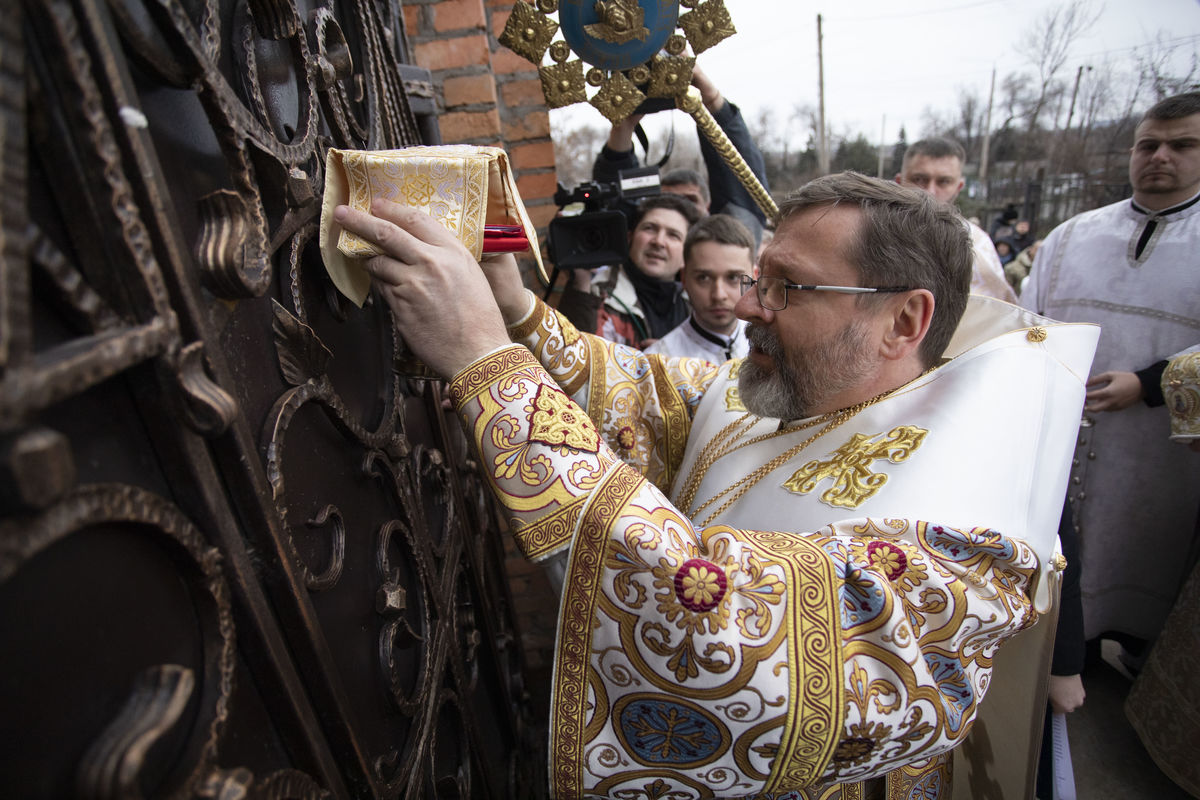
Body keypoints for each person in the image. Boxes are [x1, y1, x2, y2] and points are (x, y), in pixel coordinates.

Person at [331, 172, 1097, 798]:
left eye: (788, 289)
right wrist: (518, 312)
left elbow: (733, 640)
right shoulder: (776, 384)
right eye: (762, 277)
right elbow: (643, 388)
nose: (749, 307)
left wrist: (482, 361)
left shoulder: (970, 525)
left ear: (904, 322)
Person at [1022, 91, 1200, 660]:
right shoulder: (1073, 235)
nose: (1160, 156)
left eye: (1182, 145)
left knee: (1146, 557)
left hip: (1159, 447)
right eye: (1148, 144)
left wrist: (1149, 384)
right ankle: (1068, 648)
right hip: (1065, 428)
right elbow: (1028, 320)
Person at [592, 64, 770, 242]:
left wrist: (710, 99)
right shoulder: (643, 245)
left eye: (689, 200)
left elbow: (744, 189)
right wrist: (623, 126)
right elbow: (615, 205)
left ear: (707, 208)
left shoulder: (725, 253)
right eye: (667, 200)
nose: (677, 209)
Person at [555, 193, 701, 348]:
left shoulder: (697, 299)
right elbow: (576, 361)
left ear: (687, 253)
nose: (659, 242)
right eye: (650, 228)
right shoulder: (598, 294)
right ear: (629, 238)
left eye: (673, 235)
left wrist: (675, 361)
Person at [896, 137, 1018, 303]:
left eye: (943, 182)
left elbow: (996, 315)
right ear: (899, 181)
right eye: (919, 179)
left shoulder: (978, 245)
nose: (930, 191)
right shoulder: (870, 234)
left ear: (958, 187)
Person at [644, 214, 755, 362]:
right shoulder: (659, 363)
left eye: (733, 278)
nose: (719, 294)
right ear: (683, 278)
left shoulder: (775, 347)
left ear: (755, 276)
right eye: (704, 278)